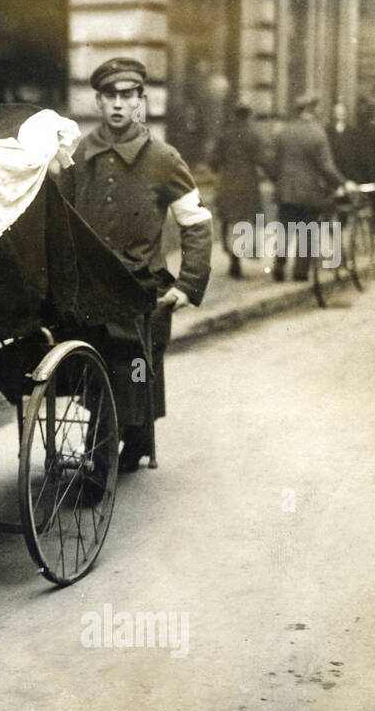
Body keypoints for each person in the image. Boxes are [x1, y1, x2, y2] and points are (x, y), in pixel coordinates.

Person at [53, 57, 212, 473]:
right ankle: (131, 438)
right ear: (99, 101)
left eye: (128, 96)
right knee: (96, 368)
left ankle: (103, 456)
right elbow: (59, 216)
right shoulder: (80, 154)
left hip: (142, 291)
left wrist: (187, 284)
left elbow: (195, 222)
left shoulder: (163, 157)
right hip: (89, 288)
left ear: (141, 100)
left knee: (135, 368)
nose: (119, 105)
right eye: (110, 97)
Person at [270, 92, 349, 281]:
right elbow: (326, 167)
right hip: (309, 192)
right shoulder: (317, 133)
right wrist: (342, 183)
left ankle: (279, 267)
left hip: (286, 190)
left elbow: (273, 162)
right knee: (307, 231)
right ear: (311, 110)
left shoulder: (283, 131)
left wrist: (280, 181)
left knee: (285, 230)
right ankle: (300, 272)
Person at [212, 101, 265, 278]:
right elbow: (262, 159)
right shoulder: (254, 135)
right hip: (248, 183)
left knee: (229, 219)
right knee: (246, 219)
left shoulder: (224, 135)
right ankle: (246, 253)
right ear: (248, 115)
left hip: (227, 183)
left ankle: (233, 260)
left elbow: (213, 161)